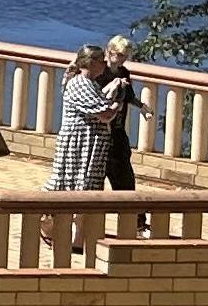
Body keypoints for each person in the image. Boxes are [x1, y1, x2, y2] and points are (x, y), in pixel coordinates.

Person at [50, 45, 122, 192]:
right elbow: (105, 115)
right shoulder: (80, 84)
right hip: (79, 144)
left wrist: (112, 91)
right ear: (92, 62)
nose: (105, 65)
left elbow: (100, 103)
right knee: (72, 184)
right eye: (102, 61)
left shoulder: (91, 84)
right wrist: (118, 104)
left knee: (86, 184)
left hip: (89, 144)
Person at [94, 36, 146, 191]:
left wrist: (142, 106)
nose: (124, 59)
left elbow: (129, 96)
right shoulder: (98, 72)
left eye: (126, 56)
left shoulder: (124, 72)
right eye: (121, 55)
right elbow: (95, 100)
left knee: (124, 175)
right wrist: (113, 86)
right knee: (97, 177)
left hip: (117, 130)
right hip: (100, 132)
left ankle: (135, 213)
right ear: (110, 52)